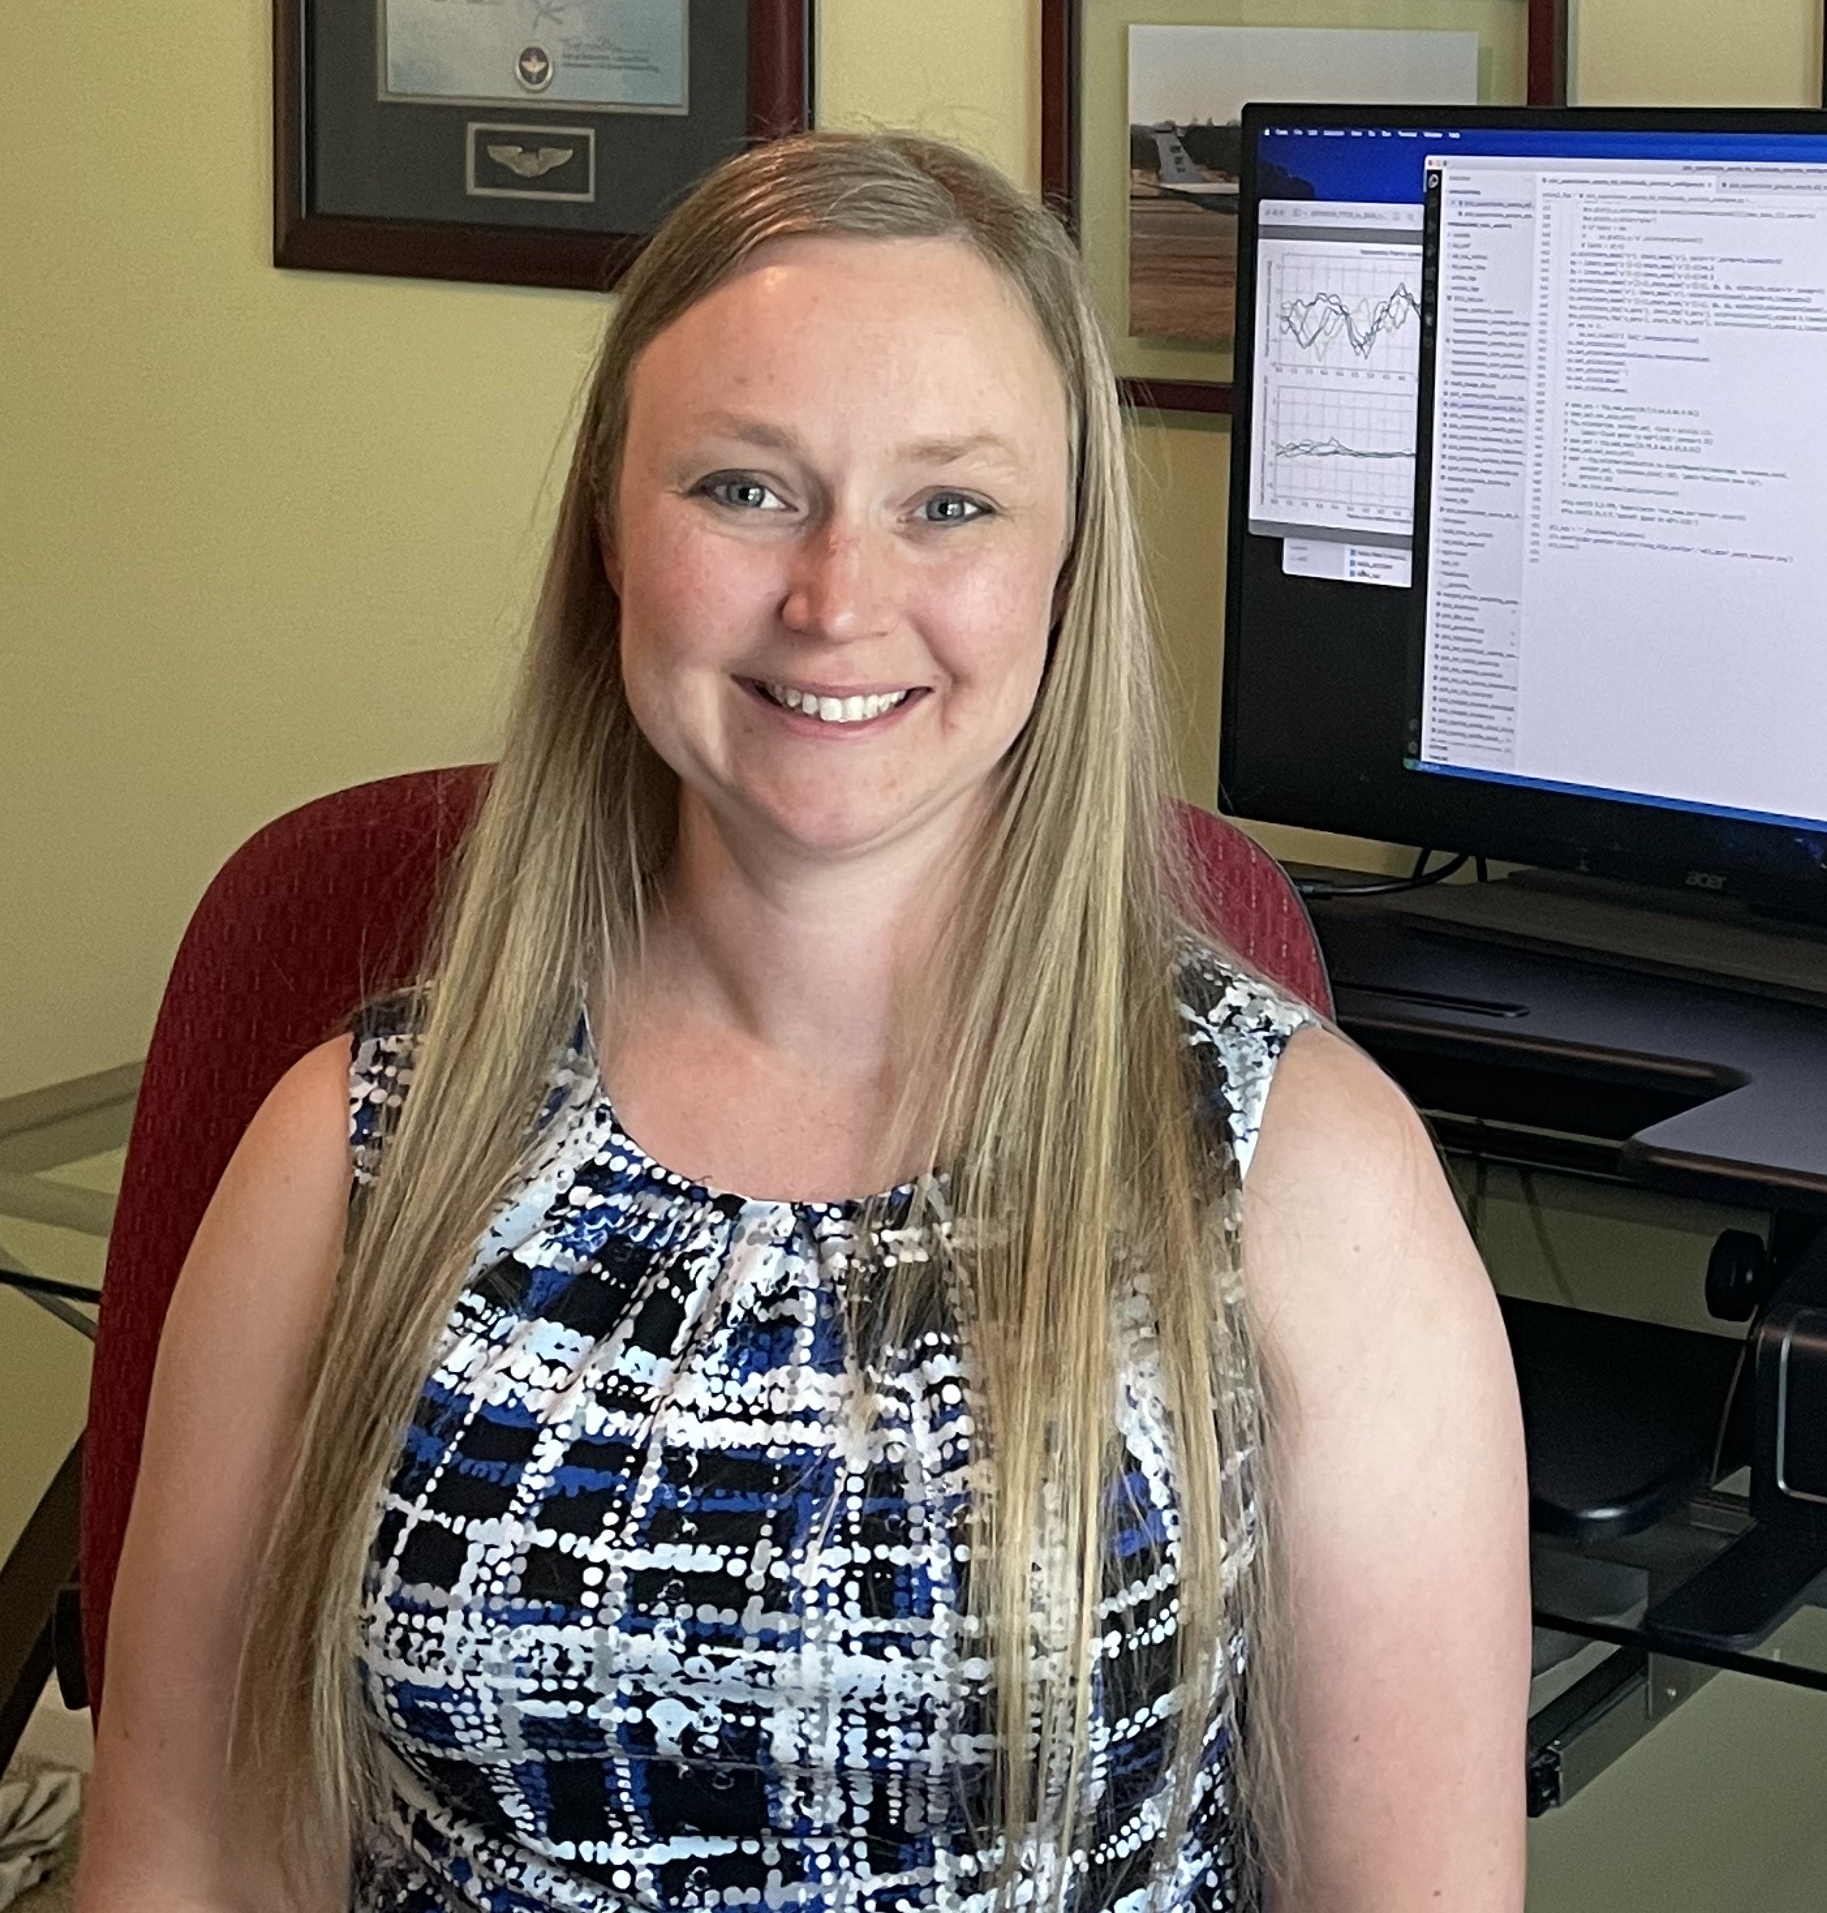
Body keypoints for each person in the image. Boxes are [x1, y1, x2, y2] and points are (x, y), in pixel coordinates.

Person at [78, 132, 1530, 1913]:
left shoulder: (1303, 1170)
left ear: (1066, 571)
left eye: (951, 504)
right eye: (746, 489)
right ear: (612, 535)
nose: (839, 598)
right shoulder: (358, 1146)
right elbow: (191, 1861)